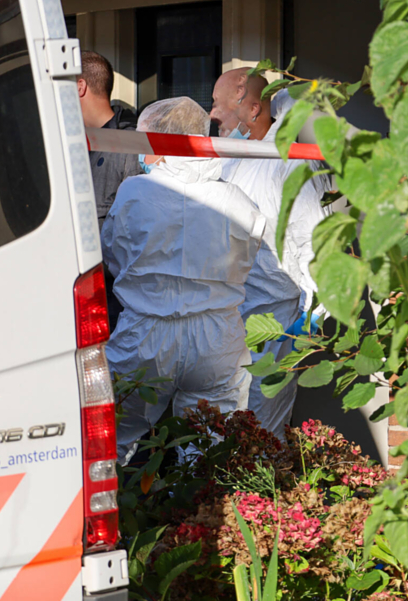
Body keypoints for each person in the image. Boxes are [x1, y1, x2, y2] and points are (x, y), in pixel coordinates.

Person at [101, 97, 268, 464]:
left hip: (145, 336)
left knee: (110, 442)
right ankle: (202, 521)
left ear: (159, 143)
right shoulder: (237, 200)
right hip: (217, 338)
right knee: (211, 450)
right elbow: (248, 259)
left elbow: (112, 255)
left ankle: (113, 519)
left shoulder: (134, 193)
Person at [210, 68, 332, 438]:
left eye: (217, 103)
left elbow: (314, 243)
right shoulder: (235, 156)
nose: (212, 113)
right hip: (232, 316)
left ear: (251, 106)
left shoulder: (290, 162)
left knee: (262, 429)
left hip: (275, 320)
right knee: (224, 425)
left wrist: (313, 317)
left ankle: (265, 496)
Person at [77, 50, 142, 332]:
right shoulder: (70, 147)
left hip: (118, 312)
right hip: (80, 301)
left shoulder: (130, 146)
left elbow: (139, 237)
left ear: (80, 87)